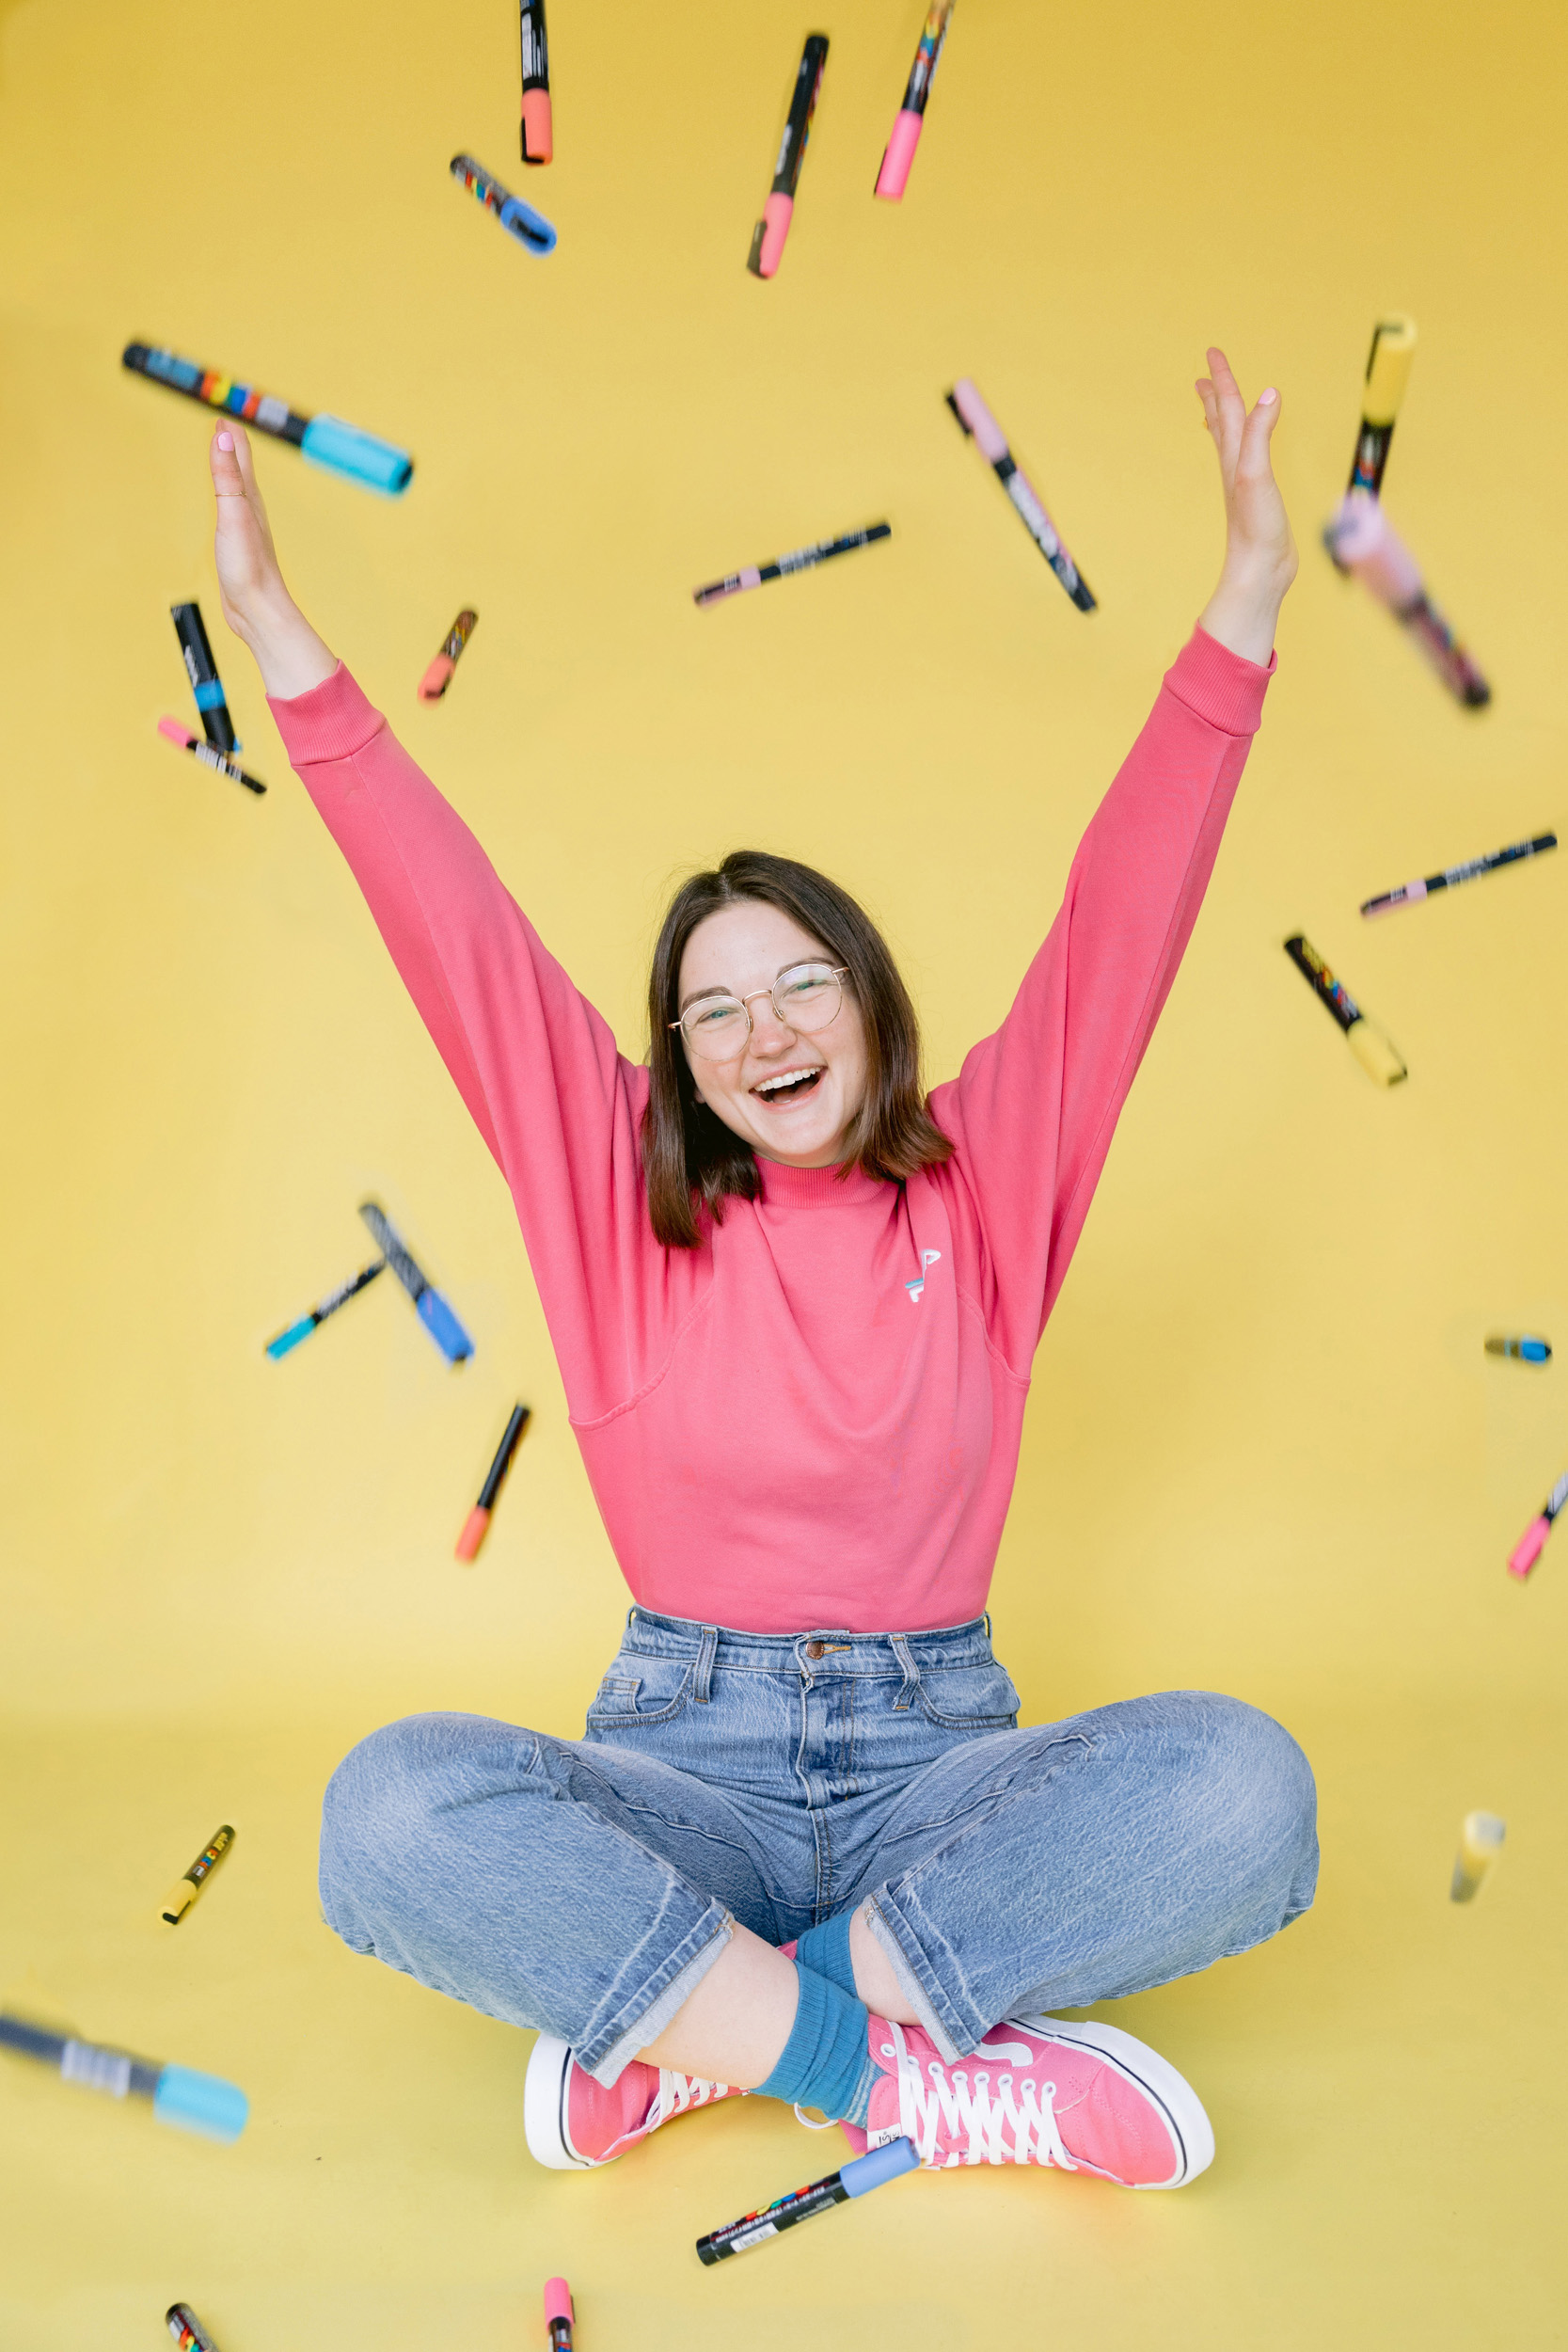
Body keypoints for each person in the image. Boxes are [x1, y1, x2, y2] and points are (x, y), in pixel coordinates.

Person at [209, 349, 1313, 2188]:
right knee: (385, 1810)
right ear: (680, 1061)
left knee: (1246, 1785)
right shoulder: (617, 1196)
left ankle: (701, 2035)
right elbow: (456, 922)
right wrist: (282, 640)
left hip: (939, 1767)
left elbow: (1127, 909)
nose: (765, 1024)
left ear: (873, 1007)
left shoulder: (989, 1173)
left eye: (803, 976)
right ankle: (895, 2067)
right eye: (713, 1005)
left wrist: (1249, 600)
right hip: (682, 1767)